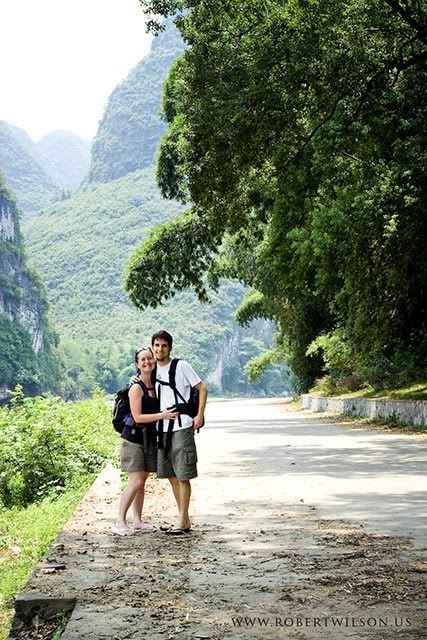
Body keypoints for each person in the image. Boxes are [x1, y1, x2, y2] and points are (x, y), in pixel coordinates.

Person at [112, 346, 178, 536]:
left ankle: (138, 521)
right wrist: (162, 415)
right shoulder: (136, 387)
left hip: (148, 440)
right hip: (132, 439)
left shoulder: (157, 385)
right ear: (137, 364)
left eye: (150, 358)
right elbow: (138, 417)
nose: (147, 362)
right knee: (136, 480)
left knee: (142, 481)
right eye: (143, 360)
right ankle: (120, 521)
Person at [151, 330, 207, 535]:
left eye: (164, 346)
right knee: (172, 475)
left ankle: (182, 520)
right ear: (152, 347)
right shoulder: (152, 369)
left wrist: (199, 416)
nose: (160, 349)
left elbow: (202, 388)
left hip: (182, 426)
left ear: (170, 348)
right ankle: (183, 518)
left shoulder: (181, 366)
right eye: (156, 345)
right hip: (162, 429)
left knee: (183, 475)